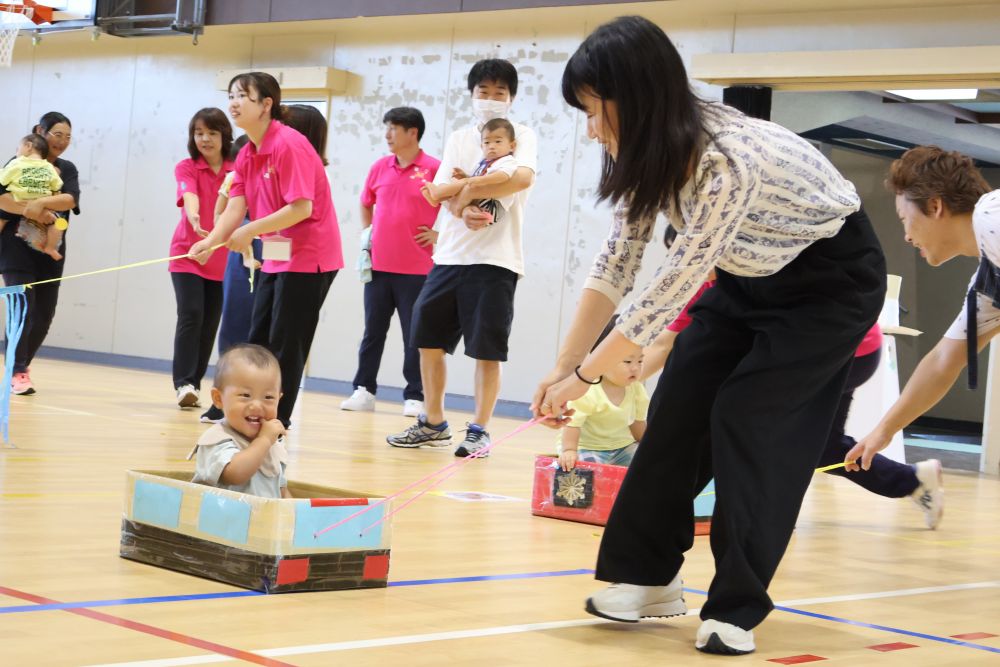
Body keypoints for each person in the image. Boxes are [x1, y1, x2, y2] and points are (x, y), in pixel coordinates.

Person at [532, 16, 885, 655]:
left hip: (829, 282)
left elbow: (671, 286)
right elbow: (618, 261)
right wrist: (564, 364)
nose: (591, 128)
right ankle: (648, 579)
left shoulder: (728, 160)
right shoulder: (643, 151)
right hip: (749, 278)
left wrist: (583, 380)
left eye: (594, 110)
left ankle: (736, 605)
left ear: (636, 96)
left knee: (751, 420)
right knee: (678, 410)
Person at [649, 282, 944, 529]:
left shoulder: (725, 278)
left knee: (758, 427)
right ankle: (914, 480)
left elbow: (666, 344)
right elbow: (665, 343)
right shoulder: (716, 280)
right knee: (823, 446)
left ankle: (760, 514)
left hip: (838, 351)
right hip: (855, 348)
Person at [386, 59, 537, 457]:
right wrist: (462, 207)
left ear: (512, 98)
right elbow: (439, 195)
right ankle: (433, 422)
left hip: (497, 259)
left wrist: (465, 185)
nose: (490, 100)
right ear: (471, 96)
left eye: (499, 93)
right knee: (427, 339)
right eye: (483, 93)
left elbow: (520, 179)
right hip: (450, 254)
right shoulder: (458, 137)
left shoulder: (521, 135)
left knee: (487, 348)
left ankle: (480, 429)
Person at [190, 72, 343, 429]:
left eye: (243, 95)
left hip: (311, 256)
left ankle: (278, 424)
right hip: (279, 254)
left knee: (287, 342)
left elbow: (301, 208)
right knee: (258, 340)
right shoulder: (247, 152)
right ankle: (248, 417)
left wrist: (248, 232)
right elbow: (235, 207)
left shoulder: (289, 145)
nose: (234, 102)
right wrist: (210, 241)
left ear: (266, 105)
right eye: (231, 95)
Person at [847, 146, 1000, 480]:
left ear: (935, 205)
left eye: (906, 219)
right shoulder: (989, 283)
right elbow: (944, 361)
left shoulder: (991, 216)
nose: (906, 235)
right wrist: (883, 431)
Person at [340, 107, 441, 417]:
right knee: (373, 331)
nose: (387, 135)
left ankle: (414, 395)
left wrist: (439, 234)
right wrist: (368, 234)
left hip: (418, 270)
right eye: (387, 129)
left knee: (415, 334)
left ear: (413, 132)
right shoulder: (380, 167)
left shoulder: (436, 168)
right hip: (379, 266)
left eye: (393, 129)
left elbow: (456, 206)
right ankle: (364, 389)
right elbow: (366, 202)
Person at [0, 111, 81, 396]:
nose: (63, 141)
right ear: (40, 131)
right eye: (57, 134)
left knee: (43, 315)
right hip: (15, 248)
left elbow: (70, 198)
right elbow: (2, 198)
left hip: (50, 249)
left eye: (68, 137)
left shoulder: (65, 168)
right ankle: (17, 371)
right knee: (22, 308)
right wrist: (29, 209)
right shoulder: (17, 163)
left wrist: (41, 203)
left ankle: (19, 367)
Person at [170, 108, 235, 409]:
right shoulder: (187, 167)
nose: (205, 139)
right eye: (198, 133)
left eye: (211, 133)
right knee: (191, 313)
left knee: (210, 322)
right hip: (188, 252)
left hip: (221, 258)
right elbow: (190, 195)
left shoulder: (236, 170)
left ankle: (194, 383)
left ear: (224, 135)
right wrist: (193, 215)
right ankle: (183, 383)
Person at [200, 133, 257, 423]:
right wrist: (214, 238)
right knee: (233, 327)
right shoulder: (235, 178)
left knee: (262, 334)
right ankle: (222, 401)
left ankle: (259, 403)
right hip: (241, 250)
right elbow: (222, 211)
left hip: (274, 254)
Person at [190, 344, 290, 499]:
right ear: (218, 399)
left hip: (259, 521)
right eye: (245, 395)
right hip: (219, 521)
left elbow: (281, 491)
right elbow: (235, 474)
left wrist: (294, 516)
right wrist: (263, 440)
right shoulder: (216, 439)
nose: (257, 405)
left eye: (269, 397)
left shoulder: (274, 444)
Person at [556, 319, 648, 471]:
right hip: (586, 448)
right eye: (627, 361)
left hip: (621, 447)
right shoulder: (588, 390)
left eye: (640, 361)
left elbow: (637, 424)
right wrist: (569, 450)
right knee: (587, 469)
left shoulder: (636, 390)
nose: (635, 368)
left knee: (646, 460)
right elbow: (573, 425)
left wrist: (649, 448)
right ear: (601, 359)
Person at [420, 118, 517, 225]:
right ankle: (440, 199)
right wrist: (465, 176)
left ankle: (438, 193)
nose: (492, 146)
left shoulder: (507, 161)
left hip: (494, 207)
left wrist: (476, 180)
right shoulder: (485, 162)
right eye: (487, 143)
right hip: (482, 204)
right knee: (465, 185)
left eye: (498, 141)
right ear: (481, 146)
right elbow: (478, 179)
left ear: (512, 146)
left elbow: (503, 176)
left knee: (467, 184)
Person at [0, 134, 64, 260]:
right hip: (40, 207)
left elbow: (2, 180)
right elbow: (57, 186)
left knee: (1, 219)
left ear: (28, 146)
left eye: (18, 149)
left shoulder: (16, 163)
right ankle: (50, 248)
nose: (17, 152)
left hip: (17, 202)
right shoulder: (49, 167)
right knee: (59, 224)